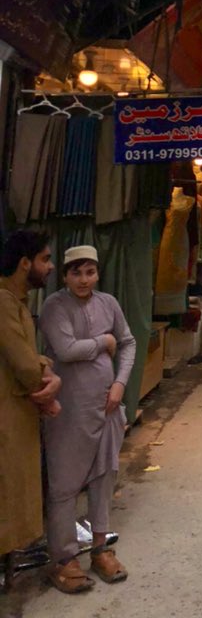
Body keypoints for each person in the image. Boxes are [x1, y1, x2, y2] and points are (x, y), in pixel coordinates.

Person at [39, 244, 136, 592]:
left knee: (103, 477)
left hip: (107, 406)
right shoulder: (54, 306)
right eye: (76, 272)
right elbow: (65, 350)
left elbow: (127, 343)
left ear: (98, 273)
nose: (84, 280)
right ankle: (63, 559)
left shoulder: (108, 303)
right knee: (64, 485)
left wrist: (120, 384)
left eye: (90, 272)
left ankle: (99, 549)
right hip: (68, 411)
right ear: (64, 276)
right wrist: (102, 341)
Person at [0, 230, 61, 565]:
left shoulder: (14, 302)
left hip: (16, 409)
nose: (50, 266)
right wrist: (49, 390)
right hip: (8, 412)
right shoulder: (3, 301)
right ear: (25, 264)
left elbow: (28, 357)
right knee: (9, 490)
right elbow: (23, 364)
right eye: (45, 259)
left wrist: (45, 368)